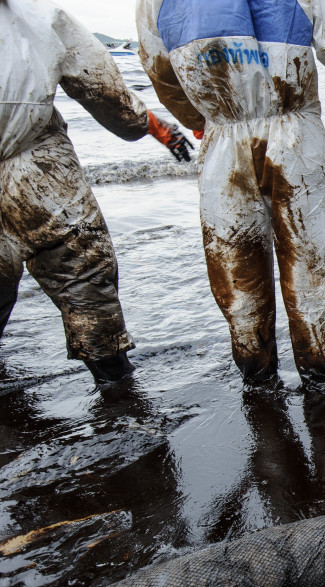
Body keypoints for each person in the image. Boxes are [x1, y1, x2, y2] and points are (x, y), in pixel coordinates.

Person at [136, 0, 325, 385]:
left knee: (237, 267)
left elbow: (159, 68)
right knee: (313, 261)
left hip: (222, 139)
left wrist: (199, 120)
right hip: (294, 135)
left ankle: (257, 373)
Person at [0, 0, 194, 384]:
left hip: (32, 161)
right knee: (84, 278)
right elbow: (101, 87)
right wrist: (154, 127)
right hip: (36, 169)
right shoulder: (38, 18)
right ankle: (118, 392)